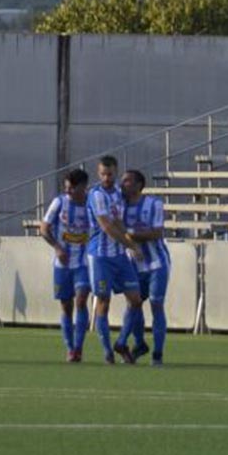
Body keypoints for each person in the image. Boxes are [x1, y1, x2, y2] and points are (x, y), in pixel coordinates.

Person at [81, 155, 139, 364]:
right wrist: (130, 245)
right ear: (98, 173)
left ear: (116, 172)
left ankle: (121, 342)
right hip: (100, 256)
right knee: (103, 301)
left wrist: (129, 241)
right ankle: (107, 350)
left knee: (135, 299)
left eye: (110, 174)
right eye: (103, 174)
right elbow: (106, 226)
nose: (106, 177)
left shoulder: (118, 194)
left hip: (119, 256)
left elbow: (117, 221)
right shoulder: (96, 194)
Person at [117, 169, 170, 366]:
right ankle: (139, 344)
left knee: (156, 304)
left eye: (127, 181)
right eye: (122, 181)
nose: (123, 184)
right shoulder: (120, 206)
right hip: (133, 265)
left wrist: (128, 235)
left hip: (157, 264)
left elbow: (156, 233)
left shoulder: (153, 203)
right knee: (133, 304)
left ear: (139, 184)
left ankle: (158, 353)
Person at [38, 168, 91, 362]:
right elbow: (44, 228)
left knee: (81, 300)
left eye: (72, 188)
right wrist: (57, 247)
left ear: (83, 187)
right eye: (66, 188)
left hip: (84, 263)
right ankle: (69, 347)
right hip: (62, 264)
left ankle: (78, 347)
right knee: (66, 306)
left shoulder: (91, 204)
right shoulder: (59, 202)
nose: (68, 191)